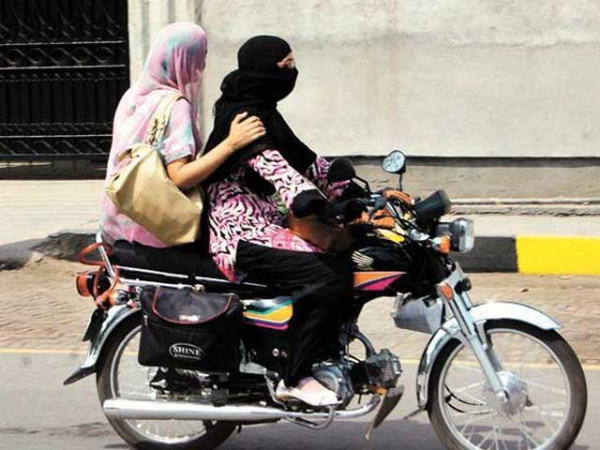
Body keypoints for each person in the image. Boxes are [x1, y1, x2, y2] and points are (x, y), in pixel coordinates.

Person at [203, 35, 355, 406]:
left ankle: (323, 350)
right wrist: (307, 200)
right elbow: (275, 167)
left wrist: (350, 187)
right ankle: (296, 377)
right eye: (284, 65)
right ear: (261, 69)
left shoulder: (266, 112)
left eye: (292, 64)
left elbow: (305, 162)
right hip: (237, 230)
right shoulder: (243, 117)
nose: (291, 72)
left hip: (265, 220)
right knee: (326, 274)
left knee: (349, 260)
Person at [100, 23, 265, 247]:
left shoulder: (134, 95)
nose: (203, 65)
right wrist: (231, 143)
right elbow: (180, 178)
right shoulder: (176, 106)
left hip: (119, 217)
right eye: (201, 56)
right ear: (183, 59)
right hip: (154, 226)